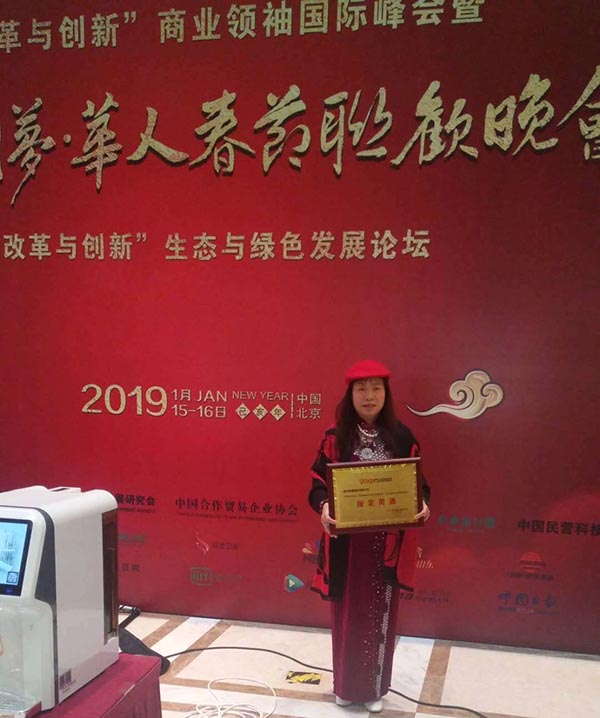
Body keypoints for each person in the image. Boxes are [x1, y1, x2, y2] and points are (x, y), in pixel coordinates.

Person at [308, 359, 431, 713]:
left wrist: (422, 504)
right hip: (346, 545)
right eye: (361, 389)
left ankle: (375, 689)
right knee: (347, 616)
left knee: (380, 615)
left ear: (386, 394)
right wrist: (324, 507)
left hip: (385, 545)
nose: (369, 395)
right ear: (350, 395)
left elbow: (419, 485)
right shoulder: (335, 437)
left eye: (376, 388)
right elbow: (316, 484)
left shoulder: (403, 436)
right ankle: (345, 687)